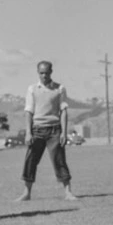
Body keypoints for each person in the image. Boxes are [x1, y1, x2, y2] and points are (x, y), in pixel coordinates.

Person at [15, 61, 77, 202]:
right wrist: (28, 132)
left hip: (55, 129)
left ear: (51, 72)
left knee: (59, 160)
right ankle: (26, 193)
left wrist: (63, 133)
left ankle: (68, 192)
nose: (44, 75)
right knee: (30, 160)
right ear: (38, 73)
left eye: (47, 72)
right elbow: (28, 112)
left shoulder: (59, 89)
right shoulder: (32, 89)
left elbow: (63, 111)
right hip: (37, 130)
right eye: (41, 73)